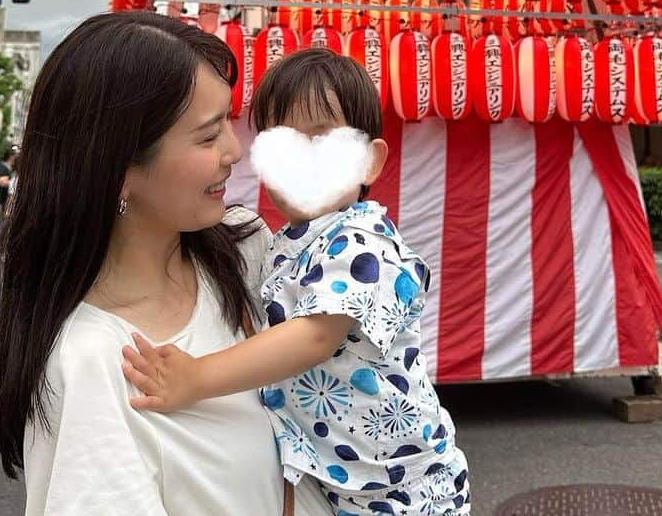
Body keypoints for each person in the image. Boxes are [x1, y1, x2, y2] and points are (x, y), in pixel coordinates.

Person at [0, 11, 332, 515]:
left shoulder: (245, 249)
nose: (234, 151)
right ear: (118, 169)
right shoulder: (93, 361)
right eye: (208, 135)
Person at [124, 48, 472, 516]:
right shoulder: (289, 241)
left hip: (403, 489)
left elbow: (313, 337)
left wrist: (197, 377)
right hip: (343, 479)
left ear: (369, 162)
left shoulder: (359, 242)